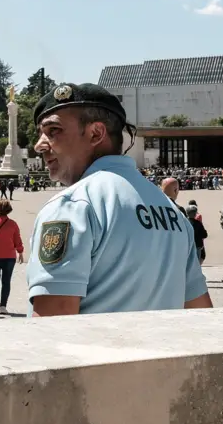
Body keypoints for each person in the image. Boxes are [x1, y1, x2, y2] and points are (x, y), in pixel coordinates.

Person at [26, 83, 211, 315]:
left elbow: (53, 323)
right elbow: (201, 313)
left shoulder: (73, 206)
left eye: (54, 131)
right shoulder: (173, 212)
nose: (39, 145)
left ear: (95, 133)